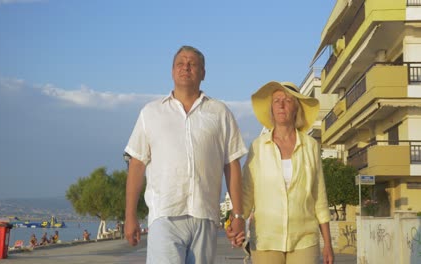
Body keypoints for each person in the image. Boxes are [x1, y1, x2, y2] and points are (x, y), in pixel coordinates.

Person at [124, 45, 248, 263]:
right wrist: (130, 215)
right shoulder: (151, 112)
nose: (186, 68)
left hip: (205, 215)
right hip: (165, 213)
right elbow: (136, 165)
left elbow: (232, 165)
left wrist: (237, 215)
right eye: (180, 63)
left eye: (192, 64)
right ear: (172, 71)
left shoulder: (220, 113)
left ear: (203, 73)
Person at [237, 81, 334, 264]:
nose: (281, 104)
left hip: (304, 239)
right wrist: (238, 222)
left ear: (296, 109)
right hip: (266, 240)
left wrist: (327, 244)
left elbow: (319, 197)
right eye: (277, 101)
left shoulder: (311, 146)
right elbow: (247, 193)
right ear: (271, 110)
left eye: (288, 100)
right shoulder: (258, 147)